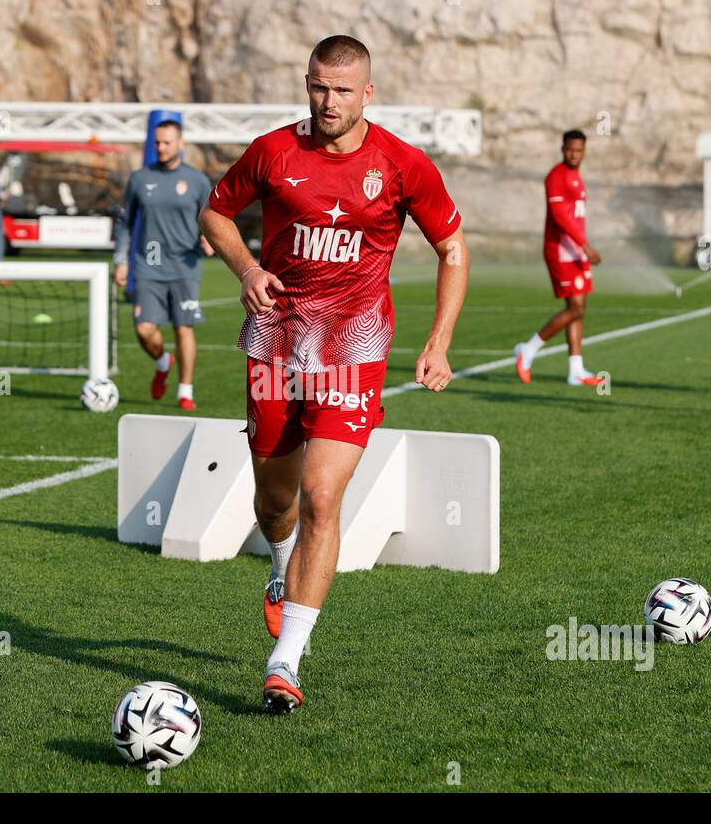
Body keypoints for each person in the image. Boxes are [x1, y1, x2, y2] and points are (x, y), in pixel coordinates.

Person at [199, 35, 469, 713]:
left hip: (356, 349)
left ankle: (285, 660)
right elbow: (216, 211)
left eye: (343, 90)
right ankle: (276, 567)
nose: (328, 101)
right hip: (275, 345)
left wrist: (439, 342)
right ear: (307, 83)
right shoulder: (272, 151)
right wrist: (248, 270)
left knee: (323, 497)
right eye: (319, 86)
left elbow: (452, 248)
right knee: (276, 503)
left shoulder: (404, 164)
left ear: (368, 94)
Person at [113, 120, 213, 410]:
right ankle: (162, 362)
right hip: (149, 264)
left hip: (185, 266)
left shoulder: (196, 181)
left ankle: (185, 391)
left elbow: (211, 218)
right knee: (144, 329)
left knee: (184, 329)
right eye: (157, 142)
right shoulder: (139, 179)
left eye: (167, 142)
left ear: (180, 144)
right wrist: (121, 260)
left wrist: (208, 238)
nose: (161, 147)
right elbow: (124, 223)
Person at [515, 129, 601, 386]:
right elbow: (559, 216)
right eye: (570, 149)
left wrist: (582, 247)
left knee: (578, 310)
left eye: (579, 150)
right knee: (575, 308)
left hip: (575, 250)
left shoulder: (575, 176)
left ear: (584, 151)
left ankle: (576, 369)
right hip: (562, 251)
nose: (574, 154)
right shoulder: (555, 176)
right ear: (562, 148)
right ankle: (528, 350)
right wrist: (585, 246)